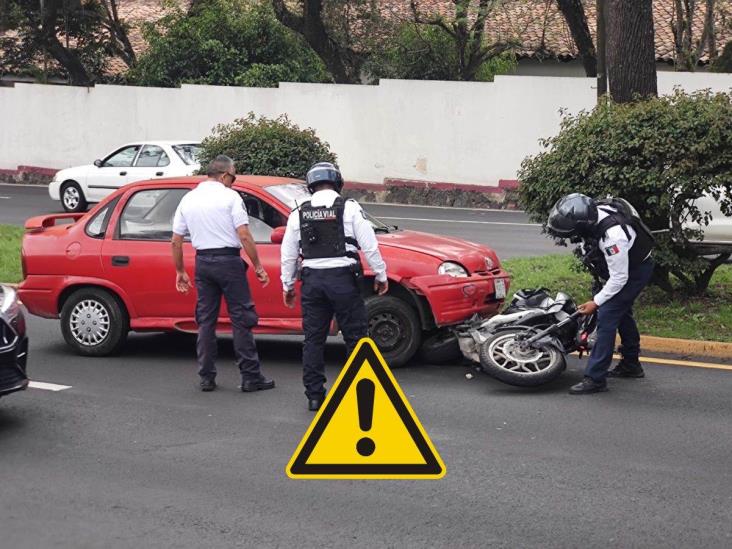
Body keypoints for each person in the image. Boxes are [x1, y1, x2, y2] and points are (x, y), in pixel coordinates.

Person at [280, 162, 388, 411]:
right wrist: (381, 275)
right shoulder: (349, 208)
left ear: (311, 186)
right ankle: (361, 394)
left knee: (314, 340)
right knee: (356, 338)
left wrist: (288, 285)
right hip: (343, 280)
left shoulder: (299, 213)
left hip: (313, 282)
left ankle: (314, 396)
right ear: (338, 182)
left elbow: (288, 255)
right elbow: (369, 245)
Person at [171, 155, 275, 393]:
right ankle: (250, 377)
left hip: (203, 263)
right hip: (228, 261)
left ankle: (206, 377)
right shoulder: (230, 197)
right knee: (241, 318)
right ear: (226, 175)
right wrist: (258, 266)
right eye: (234, 176)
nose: (234, 181)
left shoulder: (188, 199)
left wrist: (180, 271)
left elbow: (176, 241)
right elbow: (245, 235)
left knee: (206, 321)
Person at [547, 193, 654, 395]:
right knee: (622, 313)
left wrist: (595, 302)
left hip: (635, 271)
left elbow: (620, 279)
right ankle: (631, 365)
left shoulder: (613, 237)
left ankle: (595, 379)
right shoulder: (591, 213)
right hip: (625, 267)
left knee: (607, 316)